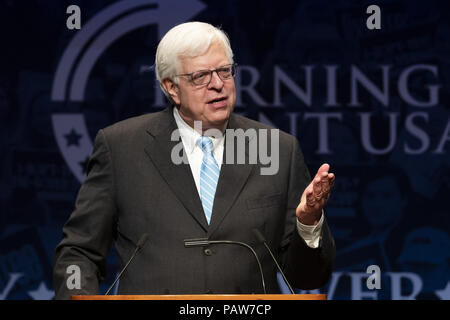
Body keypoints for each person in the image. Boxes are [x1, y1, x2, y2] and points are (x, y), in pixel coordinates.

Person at [53, 22, 335, 299]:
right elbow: (78, 252)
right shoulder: (121, 148)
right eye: (200, 76)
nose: (217, 85)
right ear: (171, 87)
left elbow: (308, 277)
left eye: (225, 71)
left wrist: (308, 223)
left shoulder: (277, 149)